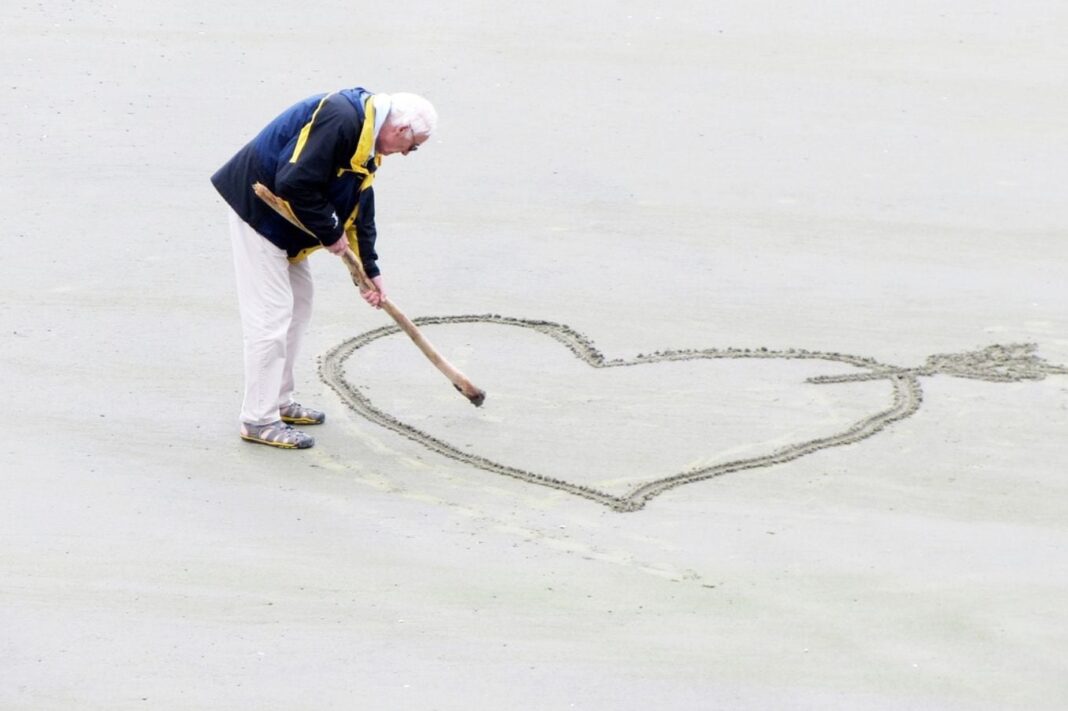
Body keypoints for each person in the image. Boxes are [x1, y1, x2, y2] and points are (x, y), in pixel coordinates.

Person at [211, 88, 437, 449]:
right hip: (258, 214)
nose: (408, 154)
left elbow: (360, 203)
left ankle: (279, 401)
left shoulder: (367, 141)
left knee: (299, 305)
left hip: (286, 226)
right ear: (401, 129)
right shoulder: (343, 118)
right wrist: (331, 234)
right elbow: (292, 181)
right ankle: (258, 418)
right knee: (271, 317)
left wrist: (369, 271)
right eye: (413, 146)